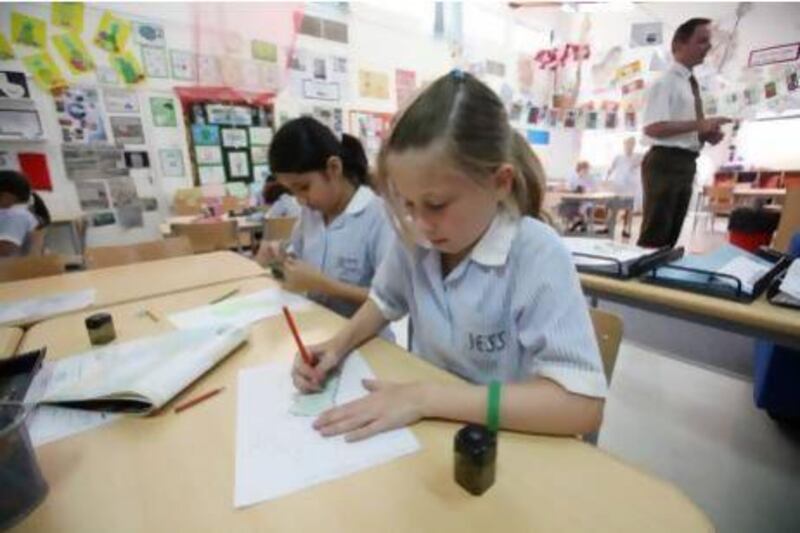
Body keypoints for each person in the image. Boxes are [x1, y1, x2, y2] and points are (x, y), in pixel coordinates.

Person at [292, 71, 606, 442]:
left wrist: (428, 397)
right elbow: (385, 299)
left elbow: (581, 404)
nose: (422, 224)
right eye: (408, 204)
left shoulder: (536, 254)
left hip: (507, 443)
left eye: (436, 204)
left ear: (500, 183)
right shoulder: (417, 237)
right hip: (429, 432)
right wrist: (336, 346)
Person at [255, 117, 393, 320]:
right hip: (315, 327)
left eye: (304, 187)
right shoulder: (310, 215)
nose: (300, 200)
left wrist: (324, 285)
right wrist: (277, 261)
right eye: (291, 191)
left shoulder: (378, 217)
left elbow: (391, 300)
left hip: (366, 342)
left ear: (334, 168)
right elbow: (295, 263)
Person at [639, 18, 732, 248]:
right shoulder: (666, 81)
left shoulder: (691, 84)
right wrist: (698, 125)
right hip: (665, 161)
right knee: (656, 234)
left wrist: (705, 135)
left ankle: (656, 280)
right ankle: (638, 281)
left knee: (671, 234)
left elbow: (684, 128)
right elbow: (653, 127)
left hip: (686, 161)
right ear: (679, 43)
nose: (708, 47)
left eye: (708, 42)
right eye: (701, 41)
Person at [605, 137, 643, 238]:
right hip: (618, 186)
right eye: (627, 144)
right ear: (624, 145)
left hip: (630, 188)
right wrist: (606, 179)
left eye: (631, 144)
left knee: (629, 209)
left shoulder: (638, 157)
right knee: (612, 207)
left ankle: (626, 229)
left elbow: (644, 160)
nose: (629, 146)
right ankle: (608, 227)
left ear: (634, 145)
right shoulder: (618, 157)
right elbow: (611, 169)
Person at [0, 170, 41, 258]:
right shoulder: (19, 214)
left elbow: (5, 249)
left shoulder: (16, 215)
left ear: (7, 196)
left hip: (12, 269)